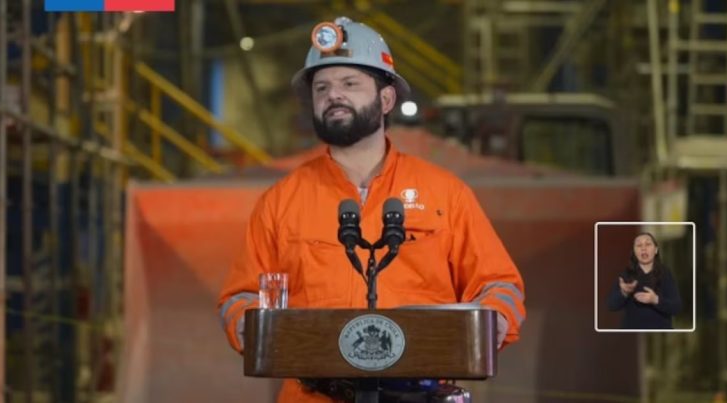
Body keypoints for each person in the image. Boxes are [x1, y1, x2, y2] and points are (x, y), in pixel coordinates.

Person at [217, 16, 526, 402]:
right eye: (322, 87)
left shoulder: (446, 195)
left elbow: (498, 285)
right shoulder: (280, 202)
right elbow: (242, 295)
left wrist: (493, 321)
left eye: (350, 83)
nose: (333, 95)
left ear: (386, 99)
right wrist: (247, 324)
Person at [607, 232, 682, 329]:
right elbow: (611, 306)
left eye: (648, 244)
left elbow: (676, 308)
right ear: (634, 252)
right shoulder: (626, 274)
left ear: (656, 250)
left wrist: (655, 300)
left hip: (660, 331)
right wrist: (624, 293)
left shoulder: (665, 274)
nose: (643, 248)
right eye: (639, 245)